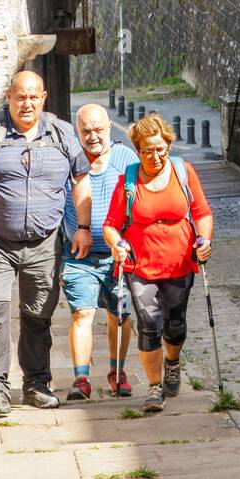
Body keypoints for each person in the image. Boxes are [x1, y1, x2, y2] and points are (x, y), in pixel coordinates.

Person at [0, 71, 92, 420]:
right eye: (20, 96)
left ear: (44, 98)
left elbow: (81, 178)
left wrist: (84, 226)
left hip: (44, 243)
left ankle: (36, 384)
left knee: (38, 316)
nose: (26, 103)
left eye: (33, 97)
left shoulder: (60, 133)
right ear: (9, 96)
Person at [103, 114, 213, 413]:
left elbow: (202, 212)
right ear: (137, 150)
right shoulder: (128, 178)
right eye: (147, 150)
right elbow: (112, 223)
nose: (155, 156)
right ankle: (154, 387)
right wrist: (116, 244)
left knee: (174, 324)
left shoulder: (183, 171)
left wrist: (204, 240)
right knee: (148, 324)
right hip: (140, 265)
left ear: (168, 146)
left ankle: (173, 362)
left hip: (179, 261)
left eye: (160, 149)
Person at [60, 103, 139, 401]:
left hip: (117, 255)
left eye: (98, 129)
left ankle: (117, 374)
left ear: (109, 128)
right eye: (85, 131)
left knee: (119, 314)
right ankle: (81, 379)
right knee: (82, 312)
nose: (93, 136)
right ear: (77, 132)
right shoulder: (70, 160)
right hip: (79, 255)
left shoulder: (125, 158)